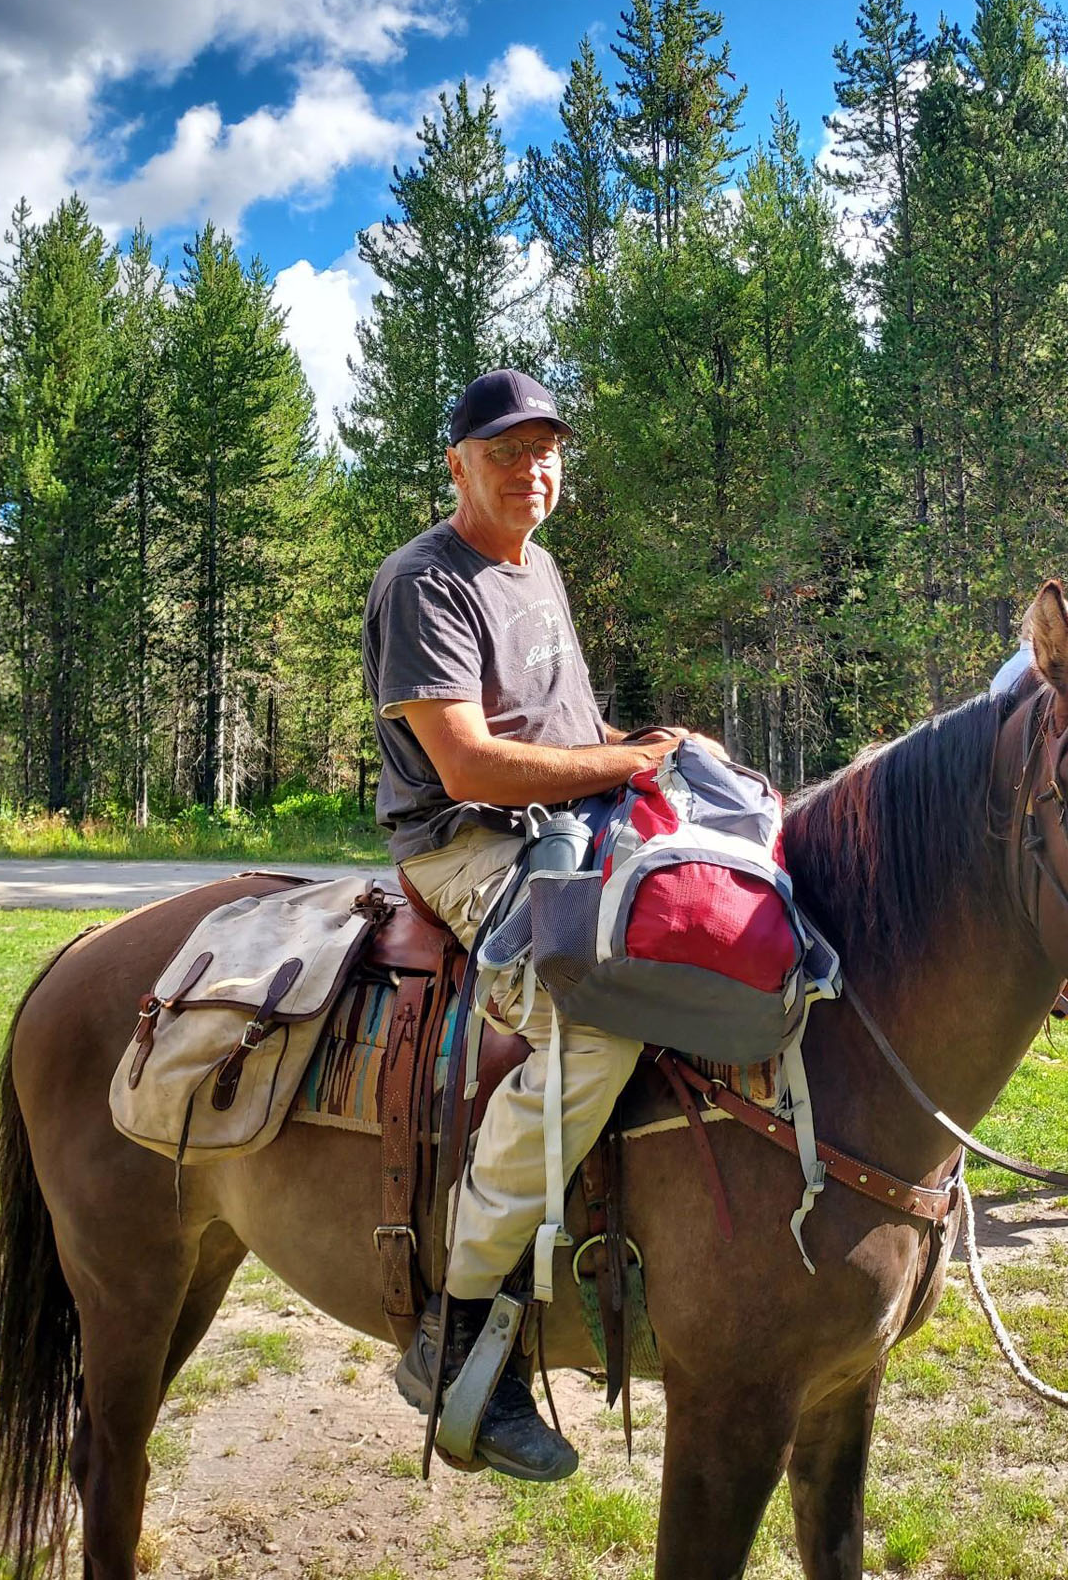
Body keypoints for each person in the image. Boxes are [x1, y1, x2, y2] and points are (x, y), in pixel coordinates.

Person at [362, 368, 720, 1482]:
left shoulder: (540, 567)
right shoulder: (424, 581)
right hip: (464, 842)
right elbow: (468, 762)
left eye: (546, 450)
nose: (532, 470)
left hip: (563, 821)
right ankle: (458, 1319)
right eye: (506, 451)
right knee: (594, 1020)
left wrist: (650, 752)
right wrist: (618, 764)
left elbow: (565, 728)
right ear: (457, 464)